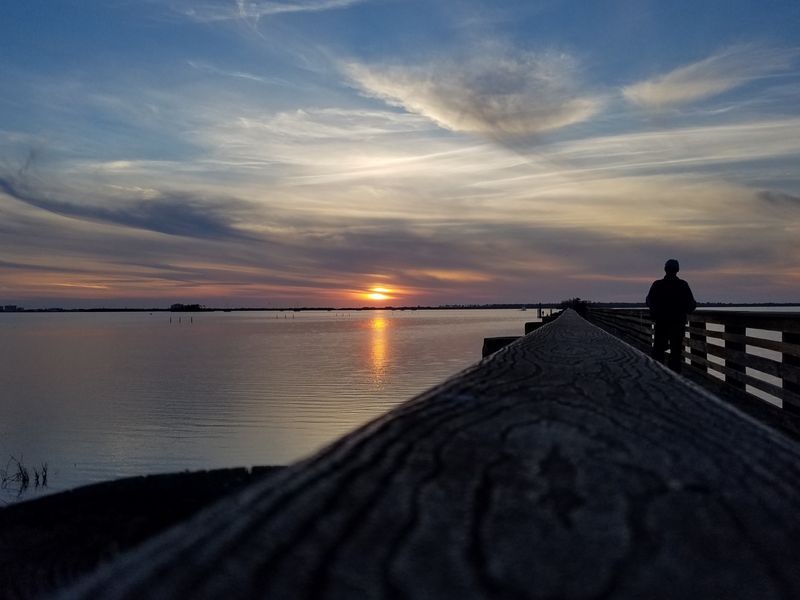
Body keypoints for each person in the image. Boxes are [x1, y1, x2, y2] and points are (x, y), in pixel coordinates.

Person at [646, 259, 696, 373]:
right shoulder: (683, 285)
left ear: (665, 269)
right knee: (676, 352)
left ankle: (657, 374)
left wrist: (655, 312)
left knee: (658, 350)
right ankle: (675, 377)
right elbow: (691, 305)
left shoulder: (657, 284)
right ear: (677, 270)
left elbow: (648, 301)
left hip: (661, 323)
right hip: (678, 324)